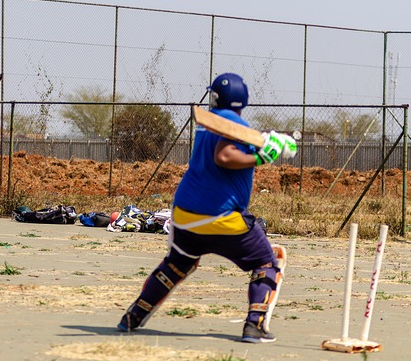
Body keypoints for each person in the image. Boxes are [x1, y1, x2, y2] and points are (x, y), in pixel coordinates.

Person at [117, 73, 297, 343]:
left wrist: (266, 140)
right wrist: (262, 155)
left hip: (185, 213)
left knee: (176, 264)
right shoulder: (232, 121)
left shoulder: (208, 123)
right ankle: (254, 326)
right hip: (220, 216)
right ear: (243, 98)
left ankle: (133, 316)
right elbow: (224, 155)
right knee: (266, 261)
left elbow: (236, 142)